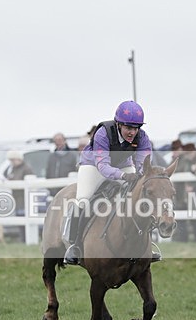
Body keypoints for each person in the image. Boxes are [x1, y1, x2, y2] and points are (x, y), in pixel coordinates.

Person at [64, 100, 155, 265]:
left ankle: (147, 244)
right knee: (83, 200)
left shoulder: (142, 137)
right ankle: (74, 245)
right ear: (118, 124)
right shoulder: (103, 133)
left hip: (123, 165)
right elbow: (103, 165)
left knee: (138, 196)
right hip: (93, 166)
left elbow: (144, 165)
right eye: (128, 127)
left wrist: (139, 177)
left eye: (136, 128)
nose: (132, 132)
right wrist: (122, 176)